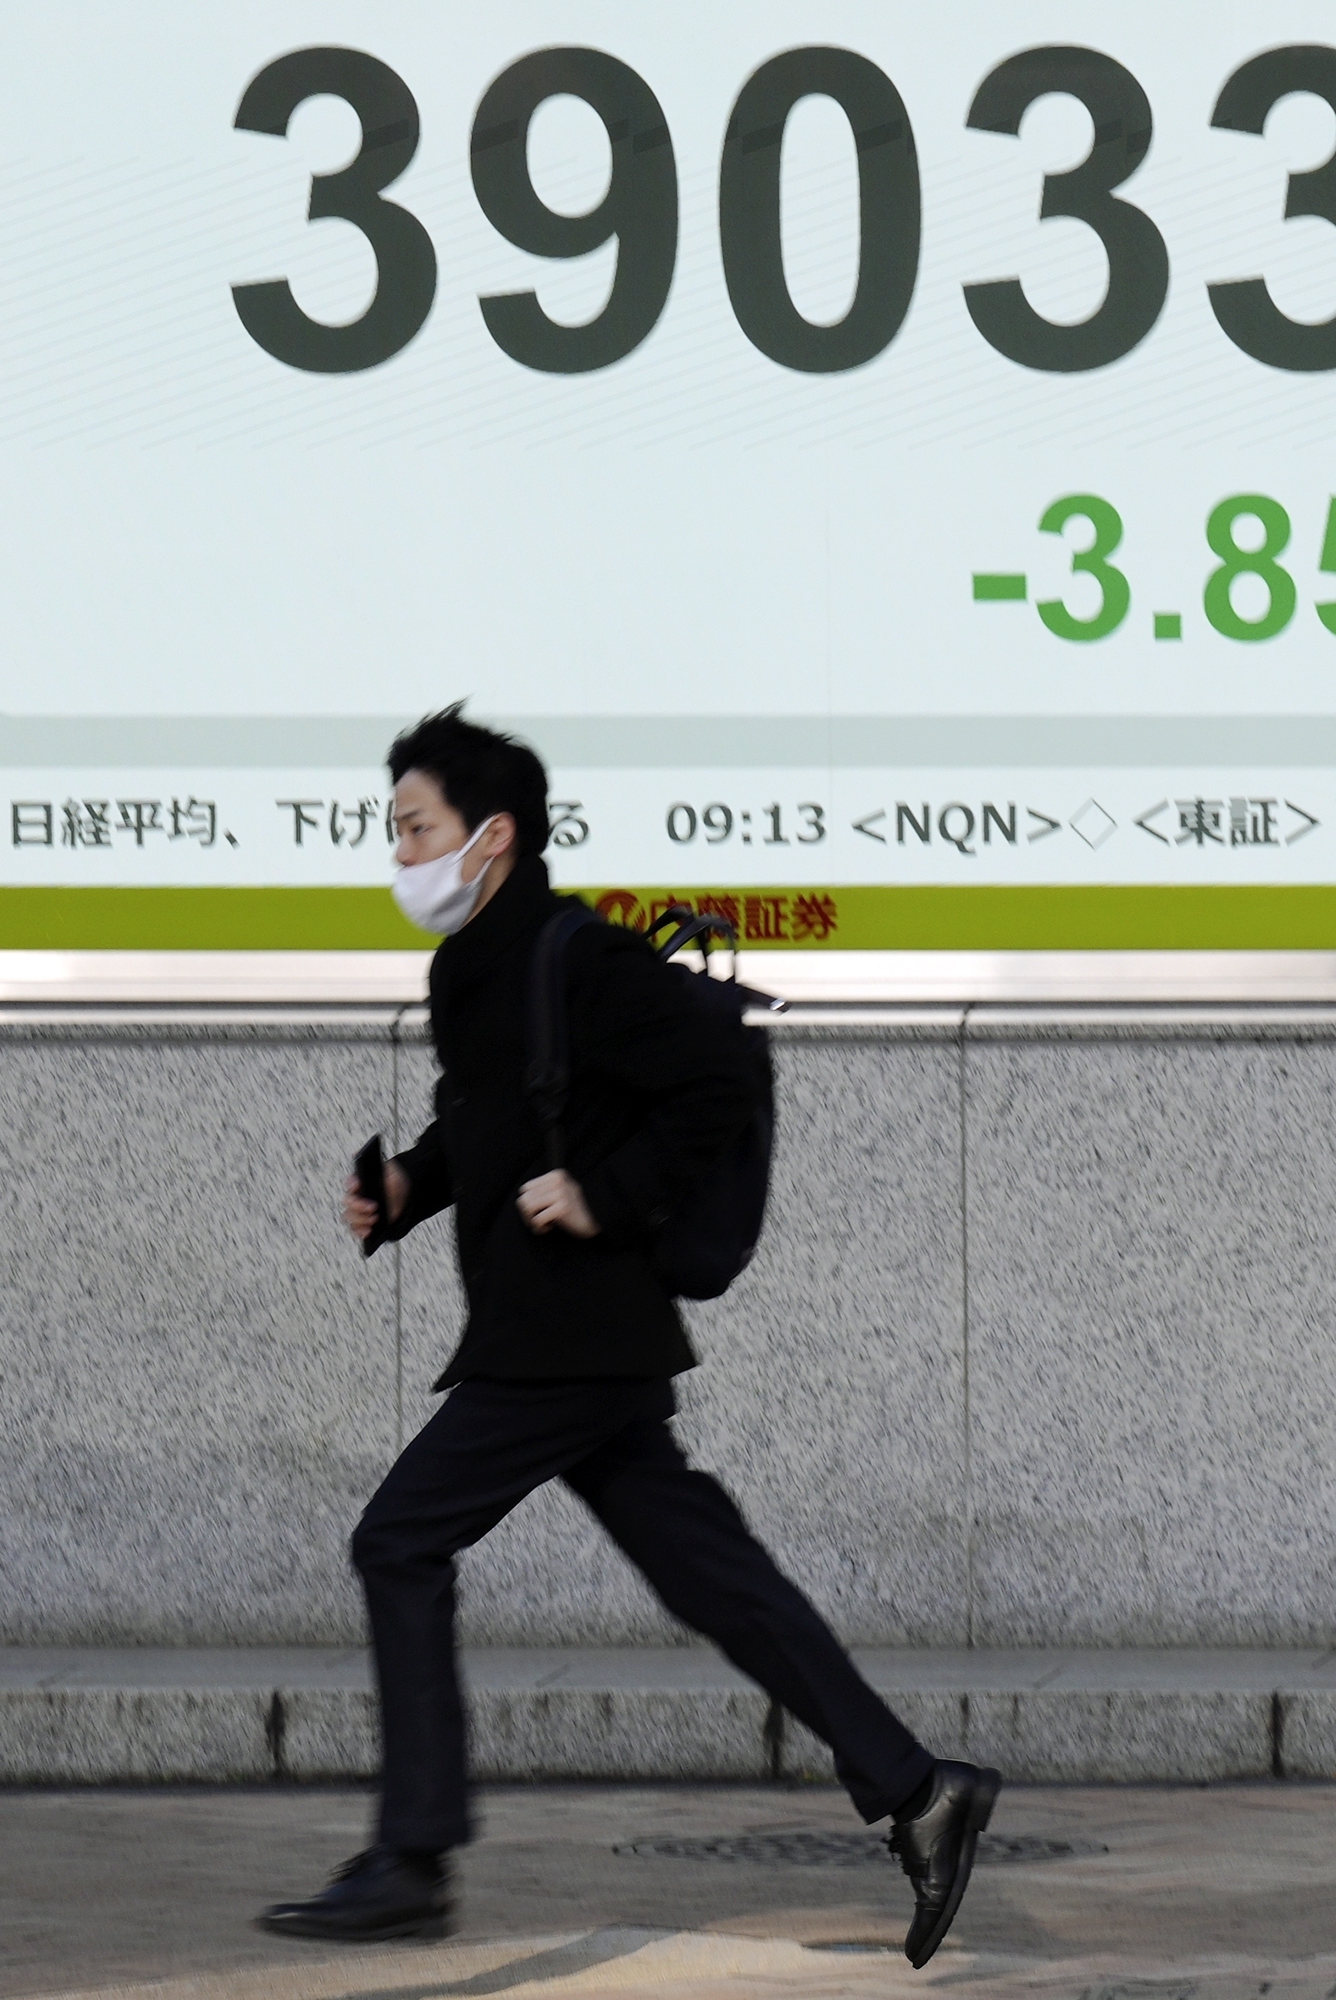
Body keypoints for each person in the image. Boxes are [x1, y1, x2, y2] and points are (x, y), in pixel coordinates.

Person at [256, 705, 999, 1964]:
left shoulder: (575, 953)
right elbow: (490, 1121)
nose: (399, 854)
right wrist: (404, 1193)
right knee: (715, 1577)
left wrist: (607, 1195)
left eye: (416, 828)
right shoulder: (471, 968)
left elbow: (720, 1074)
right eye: (394, 831)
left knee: (398, 1538)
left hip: (569, 1330)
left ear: (491, 836)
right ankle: (920, 1792)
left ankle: (413, 1856)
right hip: (560, 1333)